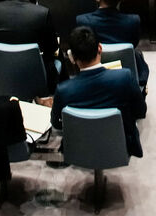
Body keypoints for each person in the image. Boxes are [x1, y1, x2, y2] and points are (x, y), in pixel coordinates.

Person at [48, 26, 147, 157]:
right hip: (121, 147)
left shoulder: (63, 90)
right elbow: (140, 112)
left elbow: (57, 124)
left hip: (79, 148)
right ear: (100, 48)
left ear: (71, 57)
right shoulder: (124, 77)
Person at [77, 0, 149, 87]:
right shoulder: (133, 21)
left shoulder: (82, 21)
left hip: (93, 77)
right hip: (125, 74)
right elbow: (133, 44)